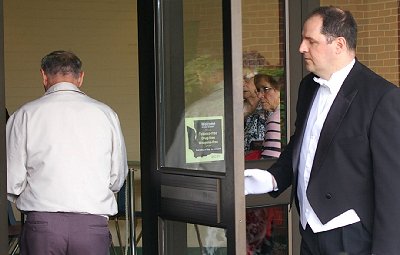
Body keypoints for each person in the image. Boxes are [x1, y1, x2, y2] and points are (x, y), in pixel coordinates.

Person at [244, 6, 400, 255]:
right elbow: (302, 144)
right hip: (309, 233)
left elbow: (393, 191)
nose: (301, 48)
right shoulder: (308, 87)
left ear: (339, 44)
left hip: (352, 238)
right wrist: (273, 178)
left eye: (310, 41)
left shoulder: (382, 97)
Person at [6, 50, 128, 255]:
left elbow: (11, 180)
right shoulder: (106, 115)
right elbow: (117, 178)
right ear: (80, 77)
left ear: (43, 75)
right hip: (92, 225)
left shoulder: (25, 114)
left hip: (42, 225)